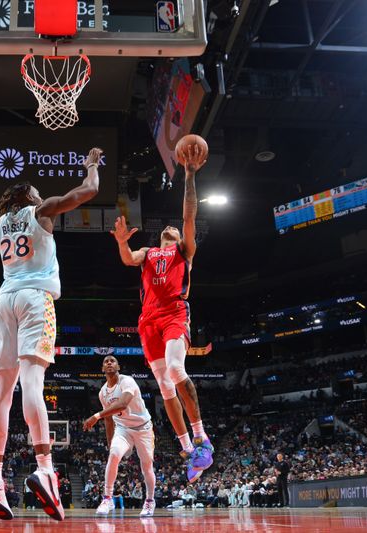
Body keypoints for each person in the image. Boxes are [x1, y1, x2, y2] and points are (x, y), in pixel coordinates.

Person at [0, 147, 104, 521]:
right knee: (33, 384)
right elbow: (88, 193)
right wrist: (92, 166)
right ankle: (45, 467)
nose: (39, 193)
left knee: (2, 393)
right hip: (36, 299)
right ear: (28, 197)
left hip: (5, 301)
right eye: (35, 190)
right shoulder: (41, 210)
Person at [109, 141, 211, 479]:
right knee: (165, 388)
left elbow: (189, 214)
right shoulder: (149, 253)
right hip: (147, 321)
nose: (172, 228)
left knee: (175, 368)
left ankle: (201, 437)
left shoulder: (185, 250)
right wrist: (123, 242)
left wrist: (190, 175)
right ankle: (187, 449)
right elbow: (127, 260)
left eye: (176, 229)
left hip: (174, 314)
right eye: (167, 230)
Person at [83, 355, 157, 517]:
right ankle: (107, 498)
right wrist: (110, 444)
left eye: (112, 361)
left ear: (118, 367)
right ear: (103, 369)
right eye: (106, 362)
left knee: (146, 466)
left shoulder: (127, 381)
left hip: (143, 428)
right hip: (123, 428)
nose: (109, 363)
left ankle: (150, 501)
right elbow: (109, 419)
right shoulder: (103, 393)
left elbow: (123, 404)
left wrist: (96, 416)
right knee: (114, 454)